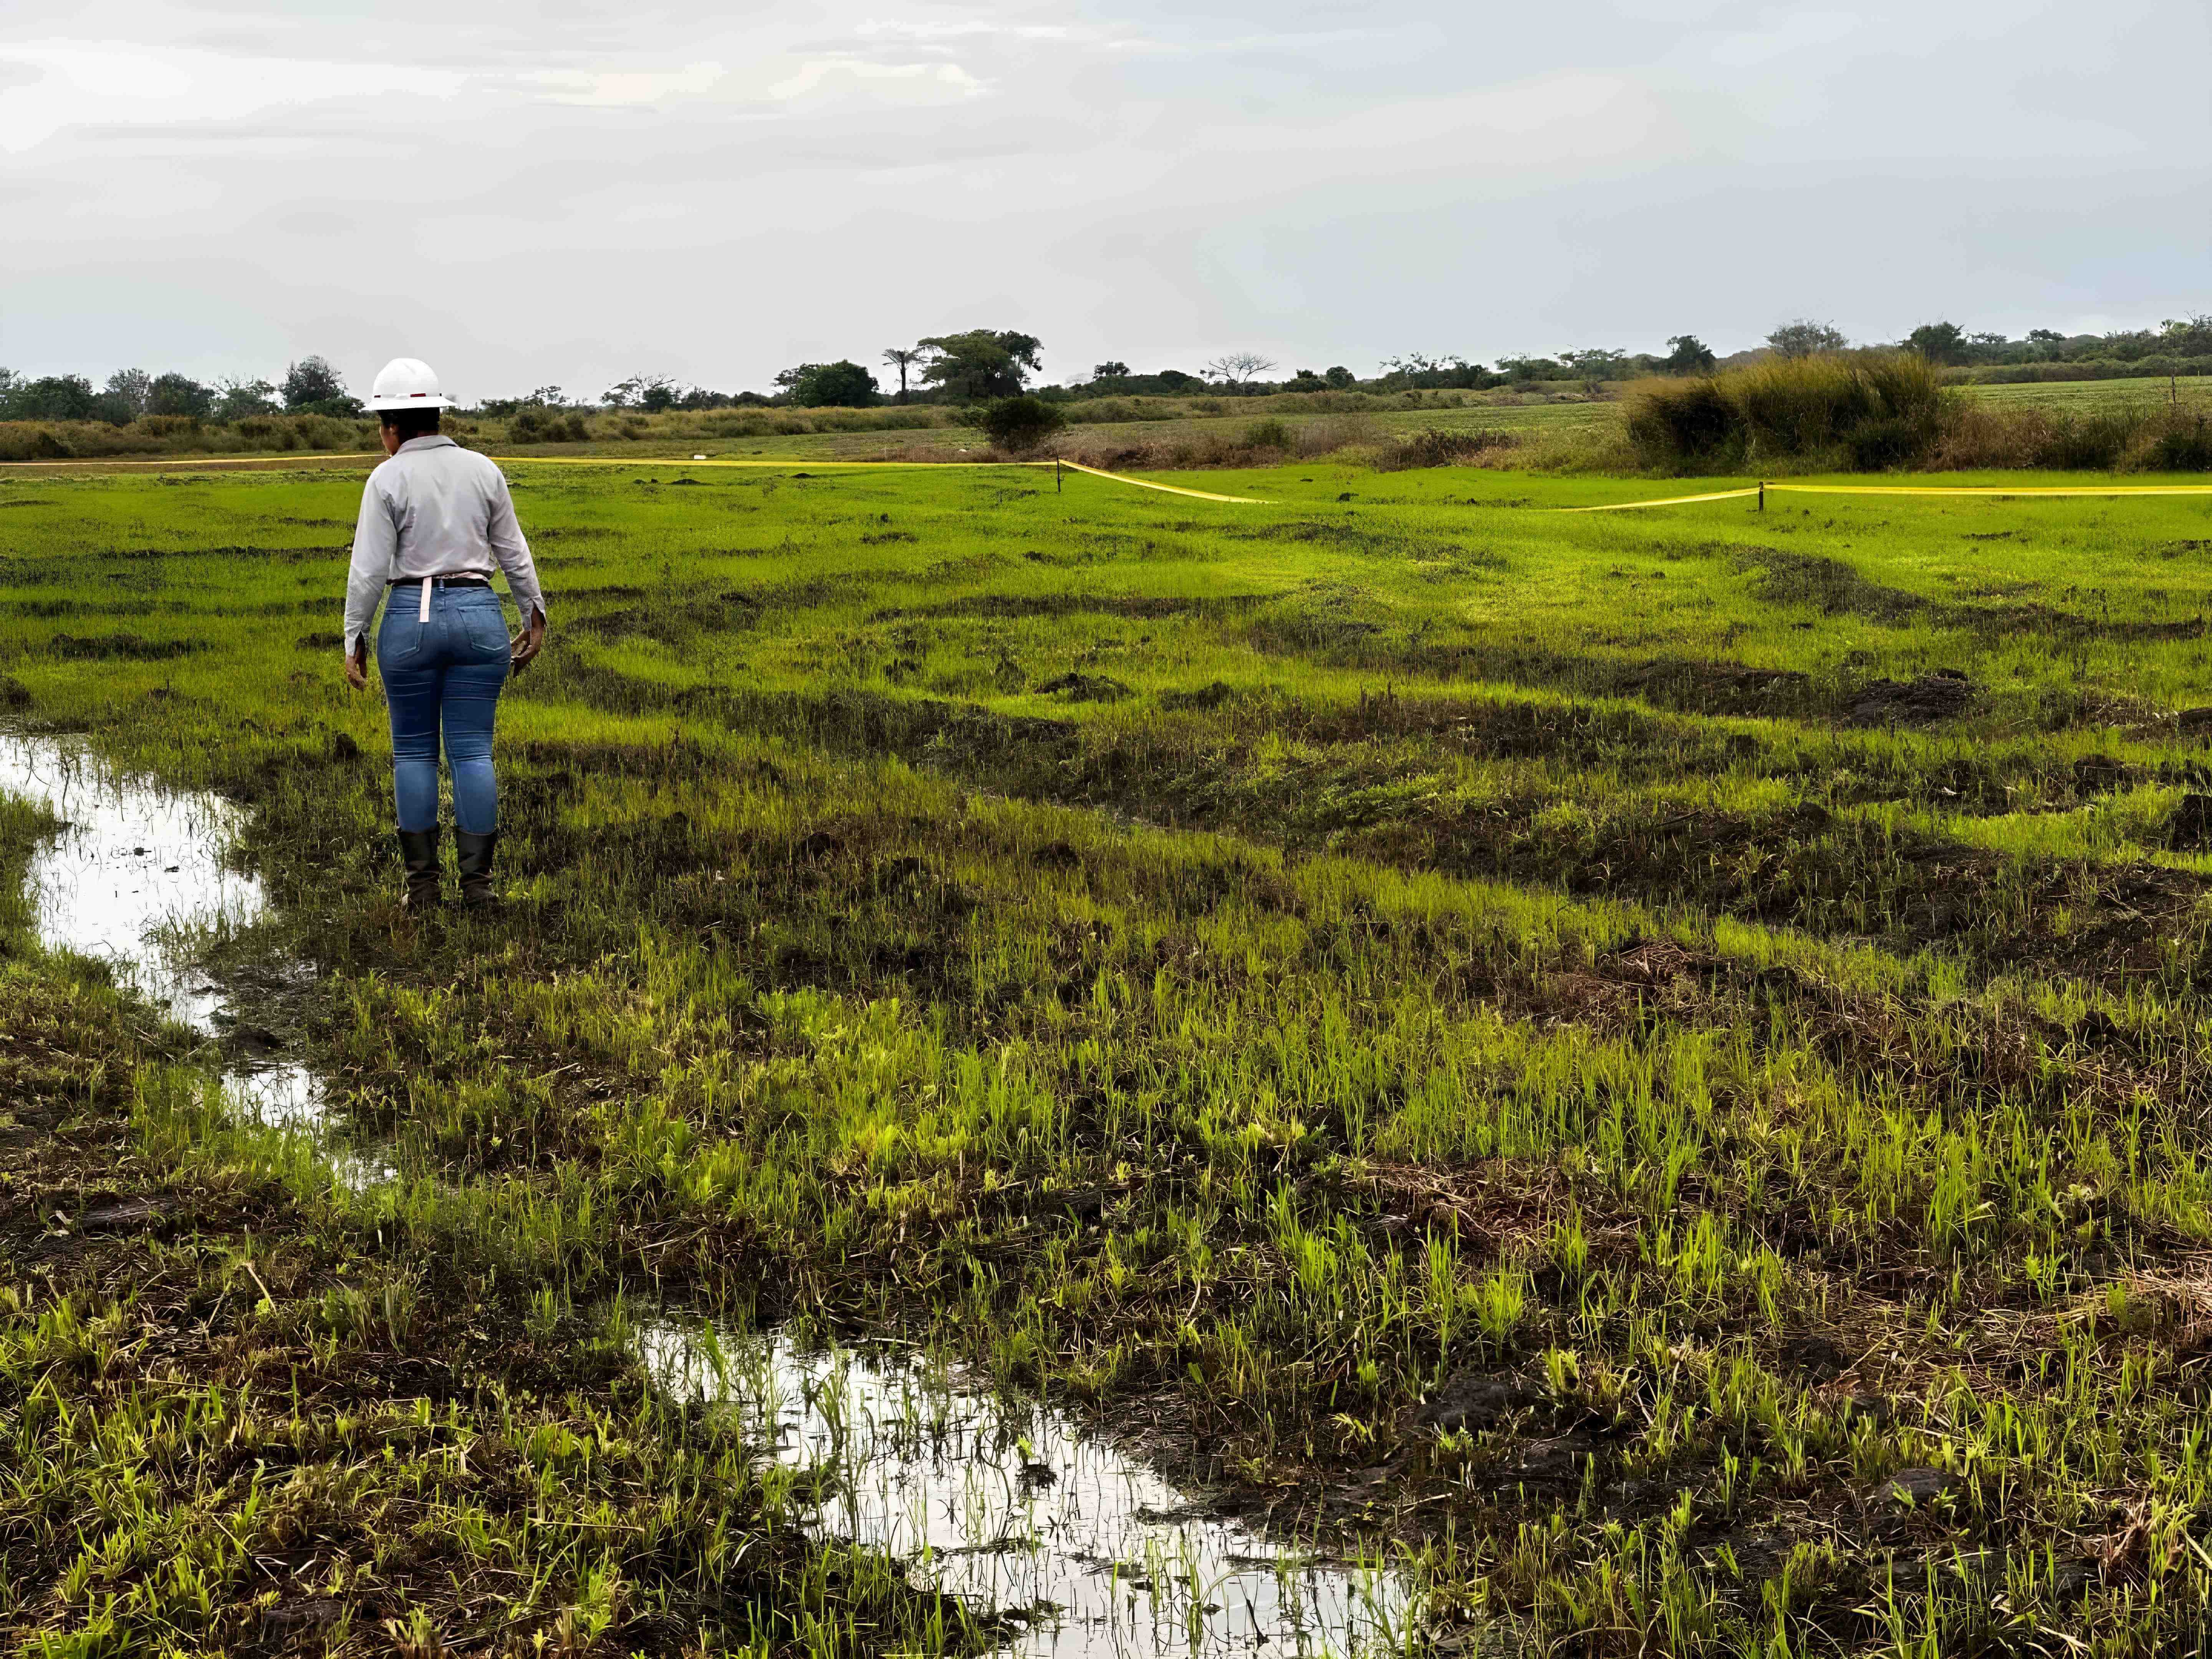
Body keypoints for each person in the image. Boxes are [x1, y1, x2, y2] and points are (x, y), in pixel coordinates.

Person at [342, 356, 548, 910]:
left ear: (389, 427)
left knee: (413, 754)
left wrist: (354, 635)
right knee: (474, 752)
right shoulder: (484, 470)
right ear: (437, 415)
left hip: (411, 619)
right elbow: (513, 551)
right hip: (480, 615)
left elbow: (367, 570)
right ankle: (478, 889)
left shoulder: (386, 477)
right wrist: (535, 615)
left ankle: (424, 890)